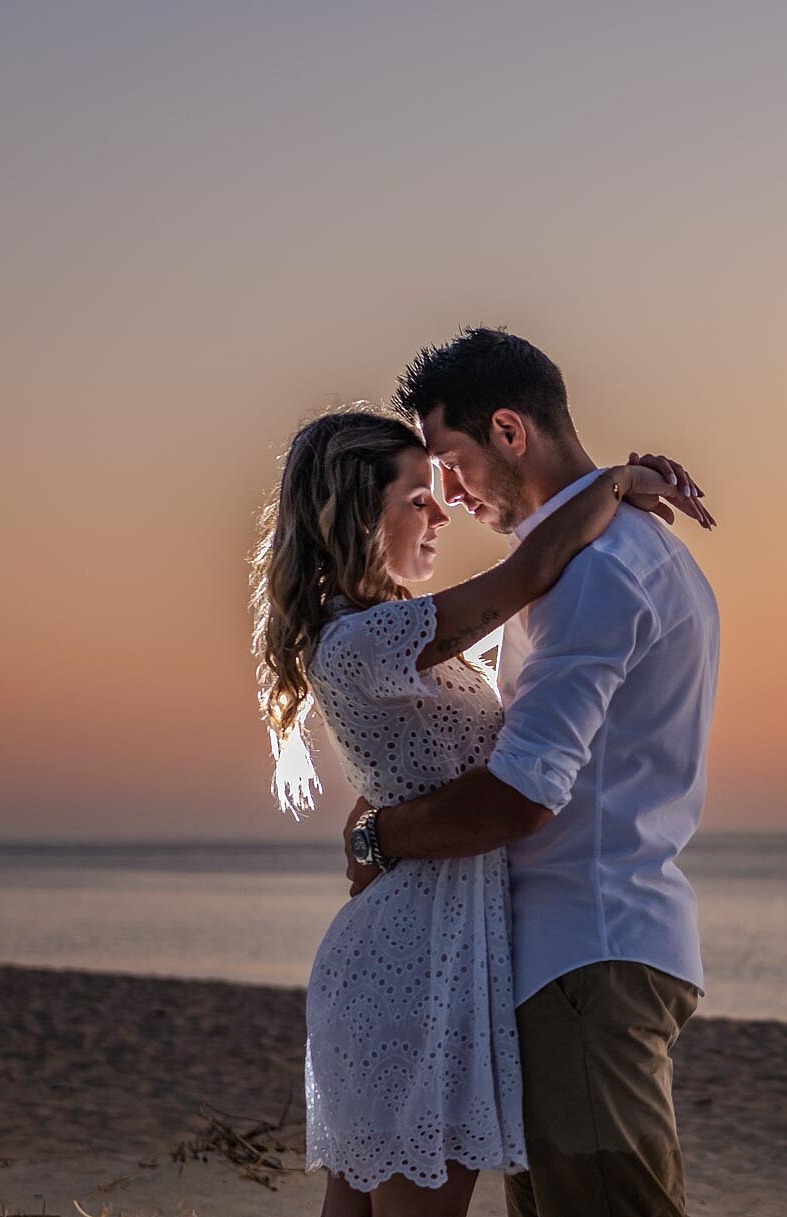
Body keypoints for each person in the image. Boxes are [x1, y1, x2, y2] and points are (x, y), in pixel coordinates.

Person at [250, 403, 708, 1217]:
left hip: (426, 956)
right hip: (415, 969)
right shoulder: (364, 641)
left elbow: (406, 771)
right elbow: (526, 575)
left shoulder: (388, 636)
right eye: (415, 497)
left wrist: (374, 830)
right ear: (357, 515)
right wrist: (614, 483)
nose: (440, 512)